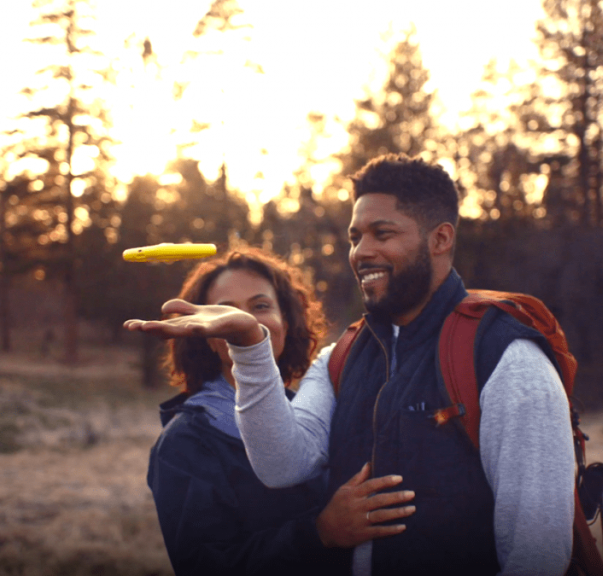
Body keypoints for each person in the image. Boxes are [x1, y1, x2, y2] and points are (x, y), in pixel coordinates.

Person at [128, 155, 575, 575]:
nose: (361, 251)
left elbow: (538, 554)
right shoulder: (341, 357)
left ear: (441, 239)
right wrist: (250, 344)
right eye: (355, 237)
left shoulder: (505, 359)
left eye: (383, 233)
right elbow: (283, 465)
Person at [134, 246, 415, 576]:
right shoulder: (185, 442)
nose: (245, 321)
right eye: (225, 310)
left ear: (287, 320)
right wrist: (321, 533)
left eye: (261, 306)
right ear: (204, 334)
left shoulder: (315, 410)